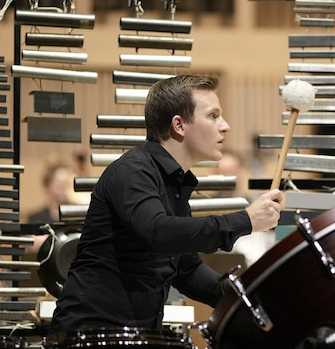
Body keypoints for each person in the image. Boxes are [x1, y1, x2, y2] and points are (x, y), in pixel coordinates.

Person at [47, 75, 282, 334]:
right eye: (213, 116)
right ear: (179, 125)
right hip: (90, 333)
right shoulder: (133, 170)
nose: (225, 126)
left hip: (137, 334)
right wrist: (245, 220)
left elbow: (187, 270)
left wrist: (250, 299)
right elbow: (158, 233)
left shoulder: (174, 185)